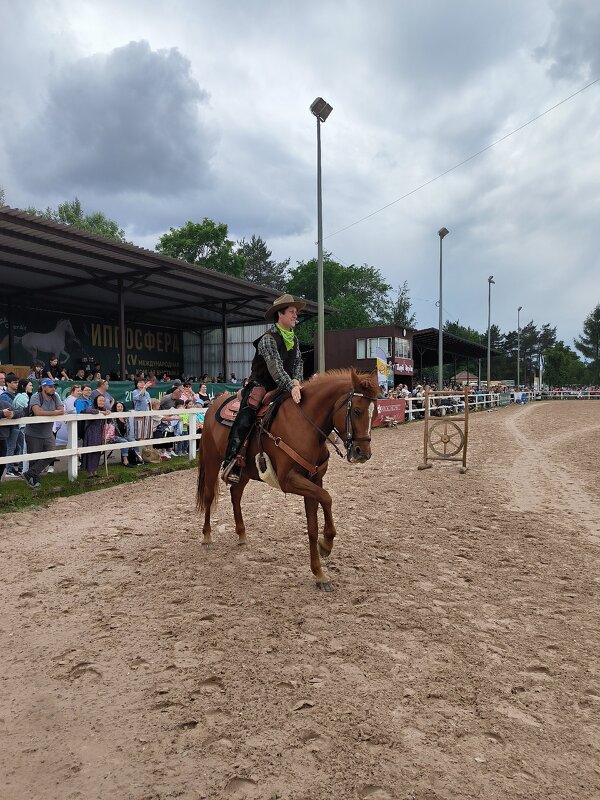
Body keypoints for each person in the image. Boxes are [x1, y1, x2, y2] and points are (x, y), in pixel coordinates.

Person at [221, 293, 305, 485]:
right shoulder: (268, 339)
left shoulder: (294, 339)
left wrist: (297, 381)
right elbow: (275, 368)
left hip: (285, 385)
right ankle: (231, 461)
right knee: (246, 416)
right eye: (292, 312)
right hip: (261, 384)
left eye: (295, 313)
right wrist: (291, 385)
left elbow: (298, 361)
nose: (295, 316)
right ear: (280, 315)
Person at [22, 378, 64, 489]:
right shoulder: (36, 396)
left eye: (54, 386)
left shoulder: (55, 396)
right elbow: (37, 412)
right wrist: (54, 413)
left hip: (47, 432)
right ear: (43, 387)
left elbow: (62, 410)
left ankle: (29, 474)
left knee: (51, 454)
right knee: (34, 458)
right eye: (50, 386)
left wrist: (50, 413)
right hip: (33, 432)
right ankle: (34, 481)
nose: (53, 388)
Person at [81, 394, 110, 478]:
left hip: (99, 432)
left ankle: (94, 470)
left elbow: (107, 414)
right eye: (100, 400)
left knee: (97, 451)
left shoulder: (103, 409)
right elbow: (88, 411)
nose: (102, 402)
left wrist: (107, 412)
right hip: (91, 432)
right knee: (91, 451)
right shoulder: (91, 407)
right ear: (96, 401)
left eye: (103, 401)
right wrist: (101, 412)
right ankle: (90, 472)